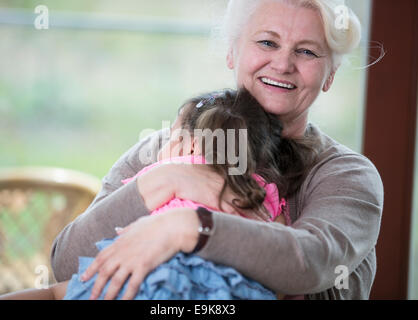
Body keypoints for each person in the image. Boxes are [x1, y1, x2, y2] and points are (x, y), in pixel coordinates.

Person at [51, 0, 384, 300]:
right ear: (231, 52)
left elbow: (309, 262)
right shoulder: (164, 149)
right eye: (267, 42)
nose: (283, 63)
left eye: (307, 52)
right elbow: (66, 266)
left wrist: (188, 226)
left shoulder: (347, 175)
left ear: (330, 75)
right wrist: (166, 179)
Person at [0, 88, 313, 300]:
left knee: (51, 294)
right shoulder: (263, 192)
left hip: (145, 277)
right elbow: (279, 245)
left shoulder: (161, 175)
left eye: (170, 136)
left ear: (188, 146)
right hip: (224, 295)